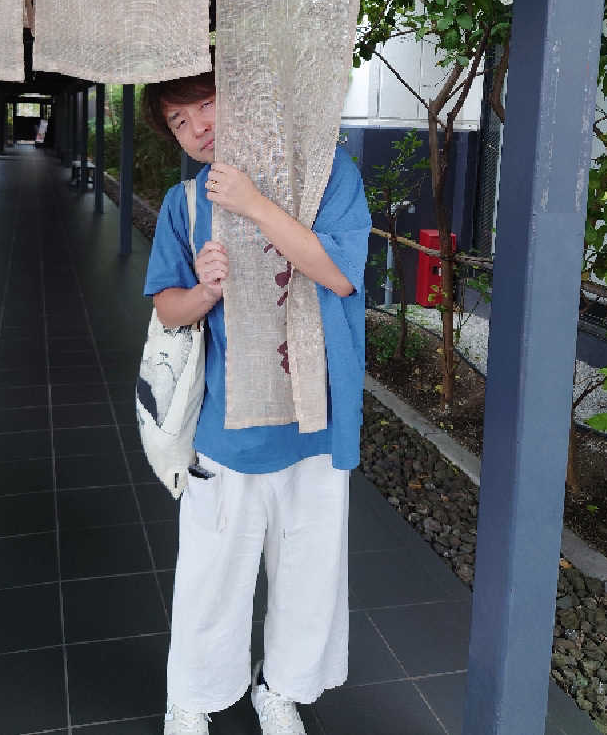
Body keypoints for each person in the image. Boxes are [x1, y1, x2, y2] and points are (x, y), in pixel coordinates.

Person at [142, 62, 371, 735]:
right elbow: (169, 308)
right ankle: (191, 696)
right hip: (226, 427)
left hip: (315, 423)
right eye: (179, 122)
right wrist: (206, 292)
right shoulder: (184, 205)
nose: (197, 129)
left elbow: (339, 274)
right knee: (211, 576)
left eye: (205, 106)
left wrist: (252, 204)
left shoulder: (327, 176)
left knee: (307, 574)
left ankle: (281, 688)